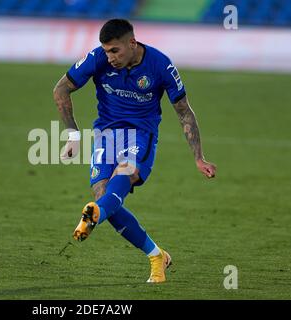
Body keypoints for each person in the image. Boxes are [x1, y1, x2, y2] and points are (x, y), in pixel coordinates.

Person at [53, 19, 216, 283]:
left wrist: (198, 157)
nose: (110, 57)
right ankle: (156, 255)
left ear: (132, 43)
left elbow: (184, 111)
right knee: (104, 197)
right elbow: (61, 89)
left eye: (115, 50)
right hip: (106, 134)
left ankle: (93, 215)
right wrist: (72, 133)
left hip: (141, 134)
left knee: (125, 174)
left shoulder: (161, 65)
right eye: (106, 51)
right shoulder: (97, 59)